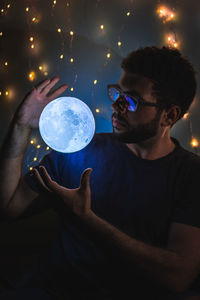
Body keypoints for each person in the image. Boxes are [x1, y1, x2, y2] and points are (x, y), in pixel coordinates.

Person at [0, 46, 200, 300]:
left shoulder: (191, 175)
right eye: (117, 92)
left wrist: (86, 218)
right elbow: (8, 205)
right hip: (53, 290)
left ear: (169, 115)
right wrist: (20, 126)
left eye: (131, 100)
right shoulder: (79, 148)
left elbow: (178, 276)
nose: (116, 105)